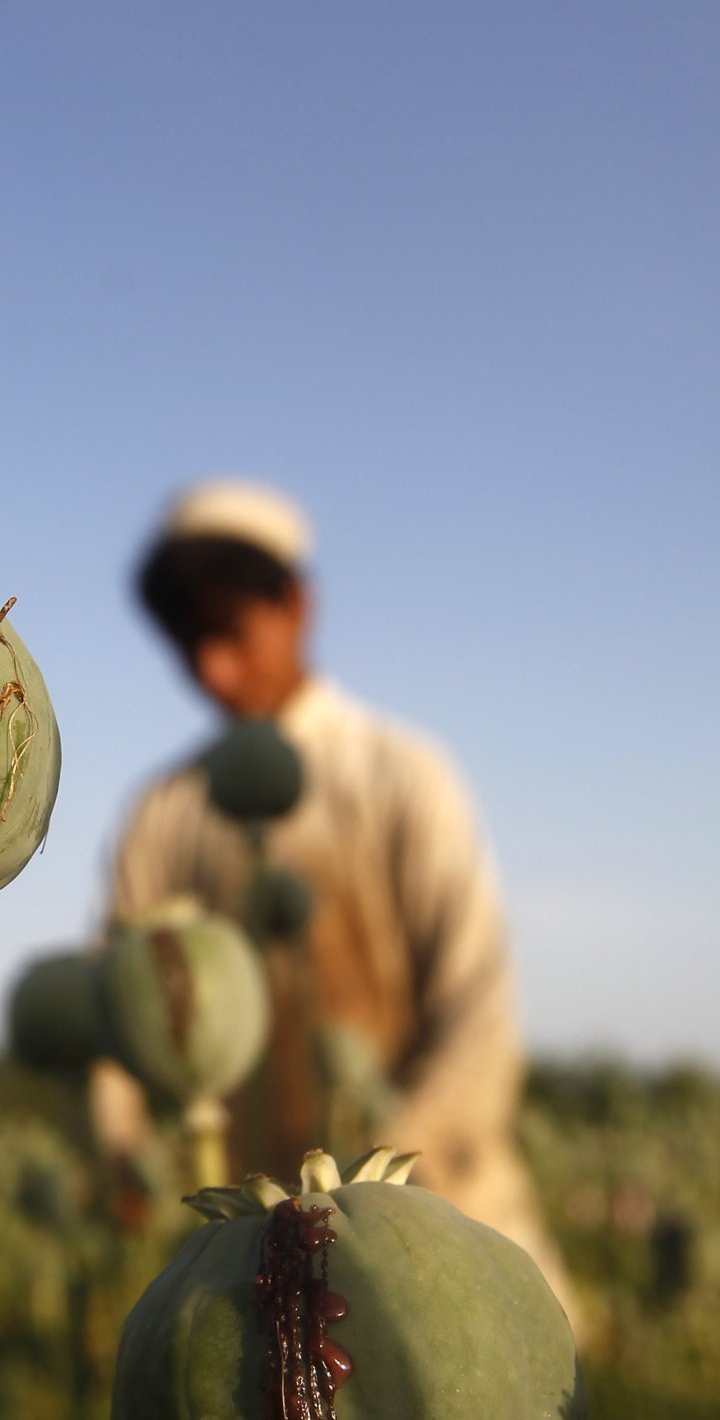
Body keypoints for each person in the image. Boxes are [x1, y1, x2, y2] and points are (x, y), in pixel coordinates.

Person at [102, 480, 570, 1304]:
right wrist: (125, 1157)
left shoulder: (400, 774)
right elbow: (119, 1017)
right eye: (188, 645)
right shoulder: (163, 816)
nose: (211, 669)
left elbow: (479, 1010)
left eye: (231, 635)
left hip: (451, 1232)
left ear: (298, 606)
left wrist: (375, 1201)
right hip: (256, 1275)